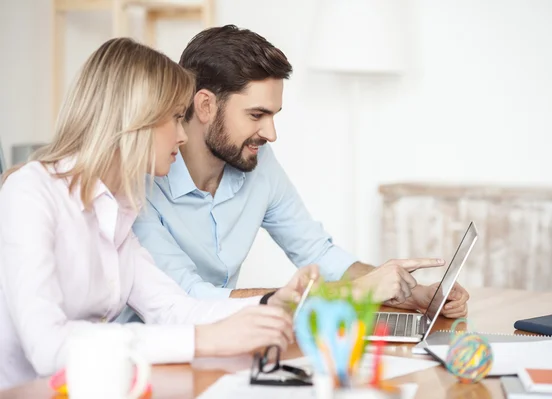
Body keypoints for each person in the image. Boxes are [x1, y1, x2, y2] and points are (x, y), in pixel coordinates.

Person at [0, 37, 317, 390]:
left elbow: (174, 309)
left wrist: (270, 304)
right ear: (135, 121)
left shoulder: (117, 207)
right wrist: (203, 341)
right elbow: (48, 347)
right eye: (176, 119)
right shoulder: (30, 193)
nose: (183, 136)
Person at [125, 25, 469, 324]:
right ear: (205, 106)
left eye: (273, 115)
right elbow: (187, 297)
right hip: (155, 354)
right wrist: (353, 292)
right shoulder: (140, 180)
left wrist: (407, 293)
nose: (271, 133)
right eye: (256, 114)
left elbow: (316, 251)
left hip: (229, 339)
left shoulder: (258, 161)